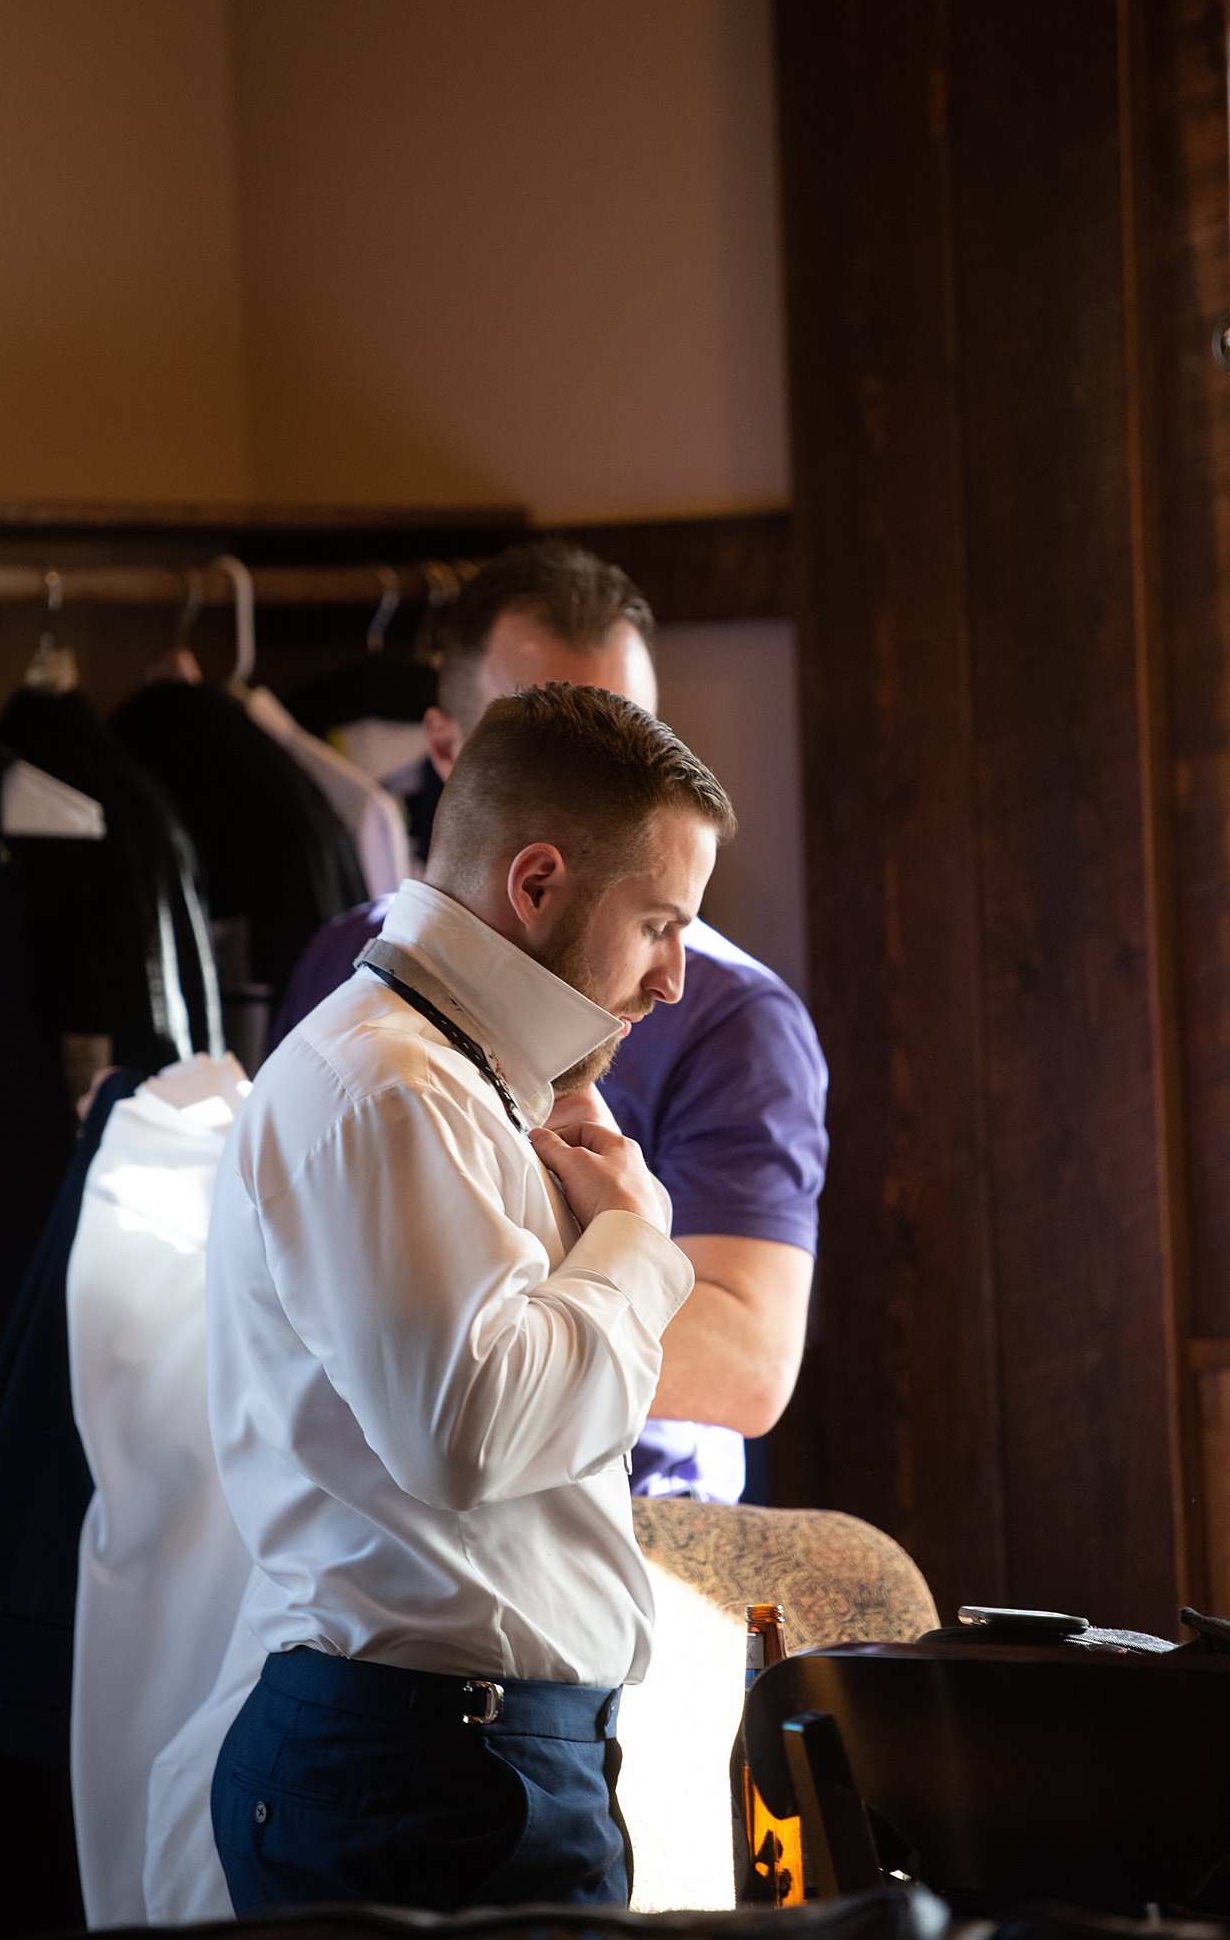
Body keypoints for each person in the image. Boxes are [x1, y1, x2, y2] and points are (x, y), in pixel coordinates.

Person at [206, 684, 734, 1913]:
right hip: (423, 1781)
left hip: (475, 1765)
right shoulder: (386, 1087)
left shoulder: (465, 1082)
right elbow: (469, 1431)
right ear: (536, 882)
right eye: (658, 922)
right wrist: (637, 1244)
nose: (672, 978)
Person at [272, 542, 828, 1502]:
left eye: (627, 732)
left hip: (649, 1525)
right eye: (544, 733)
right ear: (451, 753)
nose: (600, 777)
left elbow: (749, 1361)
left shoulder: (731, 1015)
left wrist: (521, 1297)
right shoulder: (346, 976)